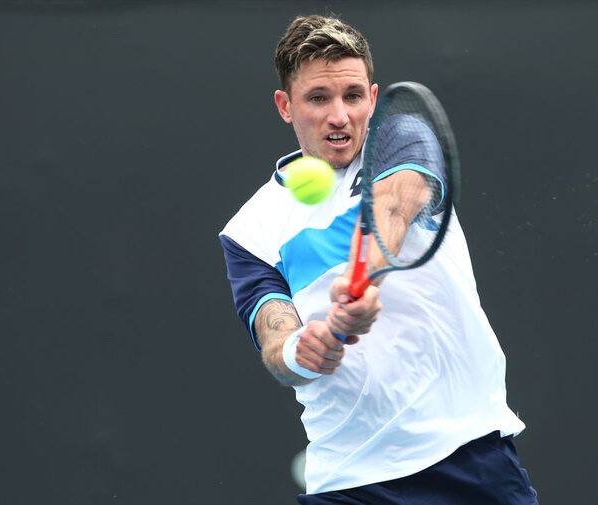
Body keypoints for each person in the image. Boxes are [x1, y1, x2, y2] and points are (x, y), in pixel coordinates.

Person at [219, 14, 539, 505]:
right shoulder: (249, 230)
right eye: (318, 99)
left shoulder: (402, 136)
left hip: (466, 455)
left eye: (352, 96)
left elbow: (390, 207)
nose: (339, 115)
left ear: (372, 97)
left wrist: (361, 280)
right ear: (286, 106)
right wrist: (301, 349)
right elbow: (273, 338)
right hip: (346, 479)